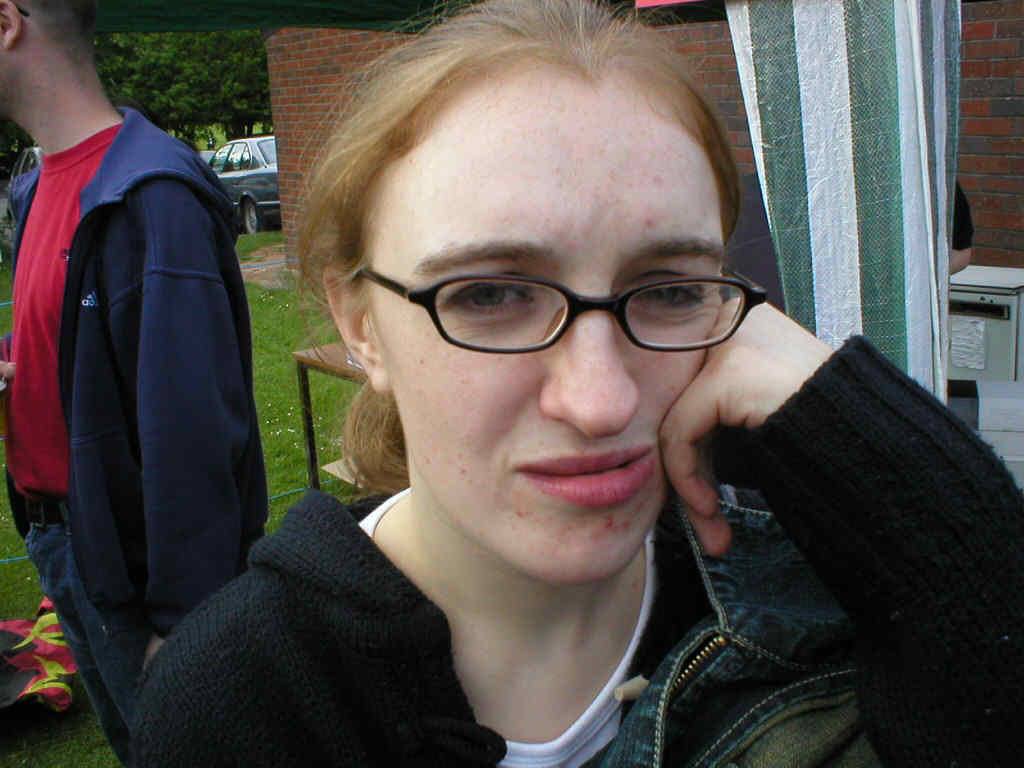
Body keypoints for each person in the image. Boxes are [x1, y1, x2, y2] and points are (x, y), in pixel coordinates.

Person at [134, 1, 1023, 766]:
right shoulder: (243, 703)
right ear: (361, 324)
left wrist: (874, 445)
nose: (602, 403)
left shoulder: (818, 602)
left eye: (670, 289)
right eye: (489, 295)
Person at [0, 1, 267, 764]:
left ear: (7, 21)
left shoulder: (154, 197)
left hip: (134, 576)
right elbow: (80, 342)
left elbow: (194, 434)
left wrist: (185, 629)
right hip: (63, 543)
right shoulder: (37, 188)